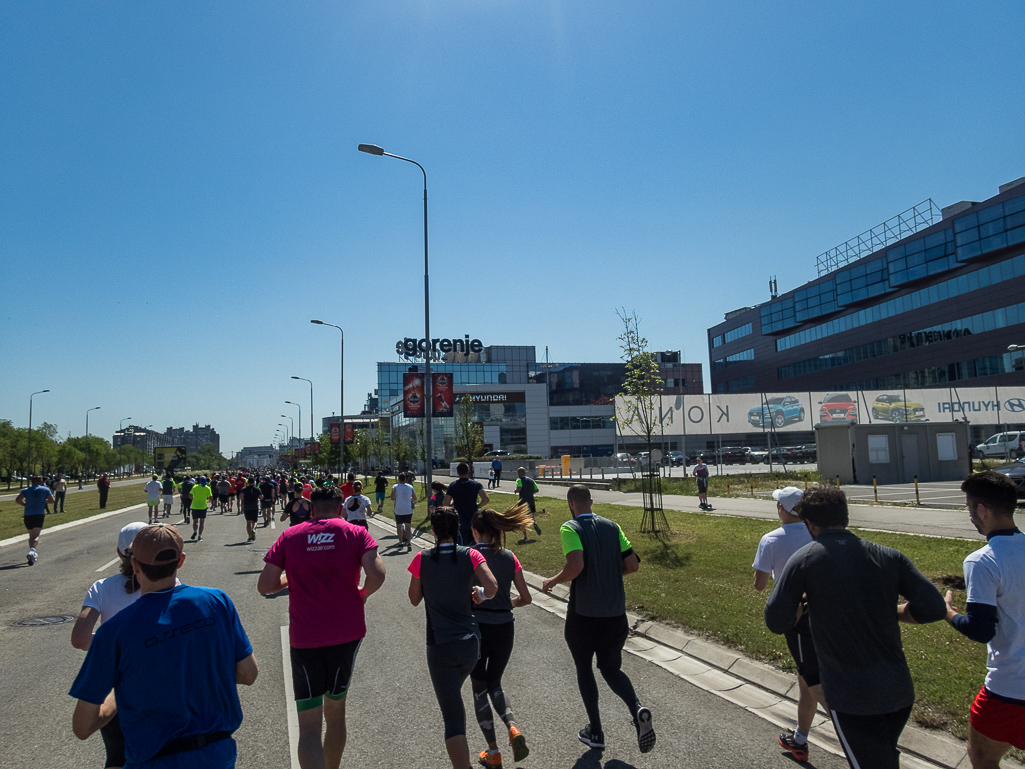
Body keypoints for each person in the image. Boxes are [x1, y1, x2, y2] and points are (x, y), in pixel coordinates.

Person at [764, 486, 946, 769]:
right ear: (846, 518)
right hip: (898, 691)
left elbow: (776, 620)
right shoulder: (889, 556)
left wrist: (800, 605)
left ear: (810, 524)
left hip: (852, 696)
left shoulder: (803, 561)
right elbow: (934, 608)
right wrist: (895, 611)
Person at [70, 524, 259, 768]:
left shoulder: (113, 632)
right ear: (180, 561)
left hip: (152, 759)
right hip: (217, 754)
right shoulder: (216, 601)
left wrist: (121, 693)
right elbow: (248, 673)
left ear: (134, 565)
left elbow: (83, 726)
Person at [259, 486, 386, 769]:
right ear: (340, 509)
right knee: (336, 712)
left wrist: (290, 580)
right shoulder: (355, 533)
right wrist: (362, 594)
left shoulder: (291, 536)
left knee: (309, 727)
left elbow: (265, 586)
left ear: (311, 510)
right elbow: (376, 573)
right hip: (346, 633)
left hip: (305, 637)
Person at [542, 485, 655, 754]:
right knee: (611, 668)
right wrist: (608, 575)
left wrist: (553, 581)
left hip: (584, 615)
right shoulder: (613, 527)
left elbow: (576, 566)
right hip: (615, 614)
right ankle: (637, 708)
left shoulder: (570, 528)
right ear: (591, 501)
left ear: (570, 503)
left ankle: (596, 731)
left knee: (584, 669)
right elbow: (632, 565)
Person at [944, 472, 1025, 769]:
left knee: (982, 757)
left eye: (968, 508)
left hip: (1009, 689)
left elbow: (980, 629)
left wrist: (948, 612)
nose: (969, 516)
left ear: (982, 510)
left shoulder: (982, 560)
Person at [407, 507, 498, 769]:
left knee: (453, 716)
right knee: (454, 696)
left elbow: (414, 600)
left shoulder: (422, 559)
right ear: (458, 528)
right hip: (471, 642)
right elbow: (491, 588)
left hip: (440, 646)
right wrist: (479, 593)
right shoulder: (471, 554)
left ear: (433, 531)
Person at [751, 486, 826, 762]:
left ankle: (857, 734)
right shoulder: (817, 532)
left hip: (796, 619)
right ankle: (800, 739)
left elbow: (759, 586)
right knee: (804, 679)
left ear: (781, 509)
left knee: (815, 682)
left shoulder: (770, 540)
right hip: (825, 610)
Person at [70, 521, 150, 769]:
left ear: (119, 552)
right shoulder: (168, 584)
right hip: (154, 678)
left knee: (117, 755)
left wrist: (115, 645)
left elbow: (81, 638)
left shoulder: (101, 588)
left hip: (115, 683)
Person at [469, 504, 534, 768]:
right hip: (505, 626)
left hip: (477, 627)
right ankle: (513, 727)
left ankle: (493, 751)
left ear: (475, 531)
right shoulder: (510, 556)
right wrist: (509, 603)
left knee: (478, 688)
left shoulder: (470, 555)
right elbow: (526, 598)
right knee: (495, 682)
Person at [444, 462, 490, 545]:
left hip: (459, 519)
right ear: (468, 471)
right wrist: (478, 505)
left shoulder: (453, 485)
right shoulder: (476, 484)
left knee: (462, 544)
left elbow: (445, 503)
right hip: (473, 518)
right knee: (475, 543)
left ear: (457, 472)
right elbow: (486, 499)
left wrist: (452, 505)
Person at [16, 475, 55, 566]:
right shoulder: (45, 489)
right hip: (39, 514)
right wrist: (44, 501)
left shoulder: (26, 490)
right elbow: (52, 500)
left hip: (28, 514)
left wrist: (24, 504)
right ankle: (32, 551)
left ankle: (32, 553)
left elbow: (18, 500)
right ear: (40, 481)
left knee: (31, 534)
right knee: (36, 534)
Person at [390, 472, 417, 551]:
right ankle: (408, 542)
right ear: (406, 479)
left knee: (399, 527)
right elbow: (415, 498)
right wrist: (410, 499)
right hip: (408, 509)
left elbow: (392, 497)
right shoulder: (410, 487)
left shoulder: (395, 486)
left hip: (398, 510)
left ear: (398, 479)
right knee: (408, 527)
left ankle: (400, 542)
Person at [515, 468, 543, 540]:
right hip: (531, 501)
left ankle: (525, 536)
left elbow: (519, 488)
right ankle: (534, 522)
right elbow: (537, 490)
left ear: (519, 473)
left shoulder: (519, 480)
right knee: (531, 516)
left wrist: (516, 490)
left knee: (522, 519)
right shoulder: (531, 480)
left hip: (523, 502)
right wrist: (530, 493)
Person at [189, 476, 213, 541]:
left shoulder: (195, 487)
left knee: (195, 522)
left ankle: (195, 531)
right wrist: (207, 501)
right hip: (203, 506)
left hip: (195, 506)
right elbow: (211, 498)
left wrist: (193, 499)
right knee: (202, 523)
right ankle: (200, 535)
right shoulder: (207, 488)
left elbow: (190, 495)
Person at [241, 477, 263, 543]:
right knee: (255, 521)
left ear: (248, 482)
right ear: (254, 482)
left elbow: (241, 496)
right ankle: (253, 529)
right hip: (254, 507)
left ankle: (250, 536)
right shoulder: (257, 489)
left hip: (247, 507)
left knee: (248, 522)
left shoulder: (244, 489)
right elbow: (261, 497)